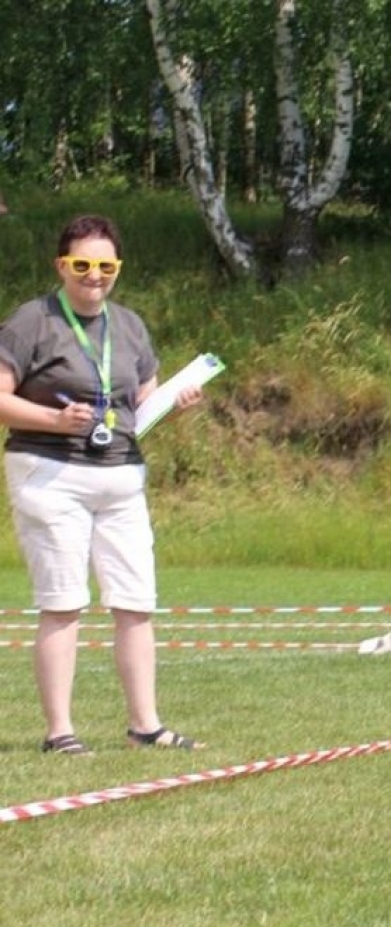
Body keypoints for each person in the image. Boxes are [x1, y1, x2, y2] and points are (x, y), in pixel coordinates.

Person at [0, 214, 207, 754]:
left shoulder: (129, 325)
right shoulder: (31, 321)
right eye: (82, 264)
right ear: (61, 266)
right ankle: (59, 732)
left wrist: (176, 404)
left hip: (120, 474)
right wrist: (54, 420)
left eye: (106, 266)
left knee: (136, 600)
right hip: (51, 472)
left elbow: (141, 406)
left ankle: (146, 726)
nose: (95, 275)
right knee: (63, 600)